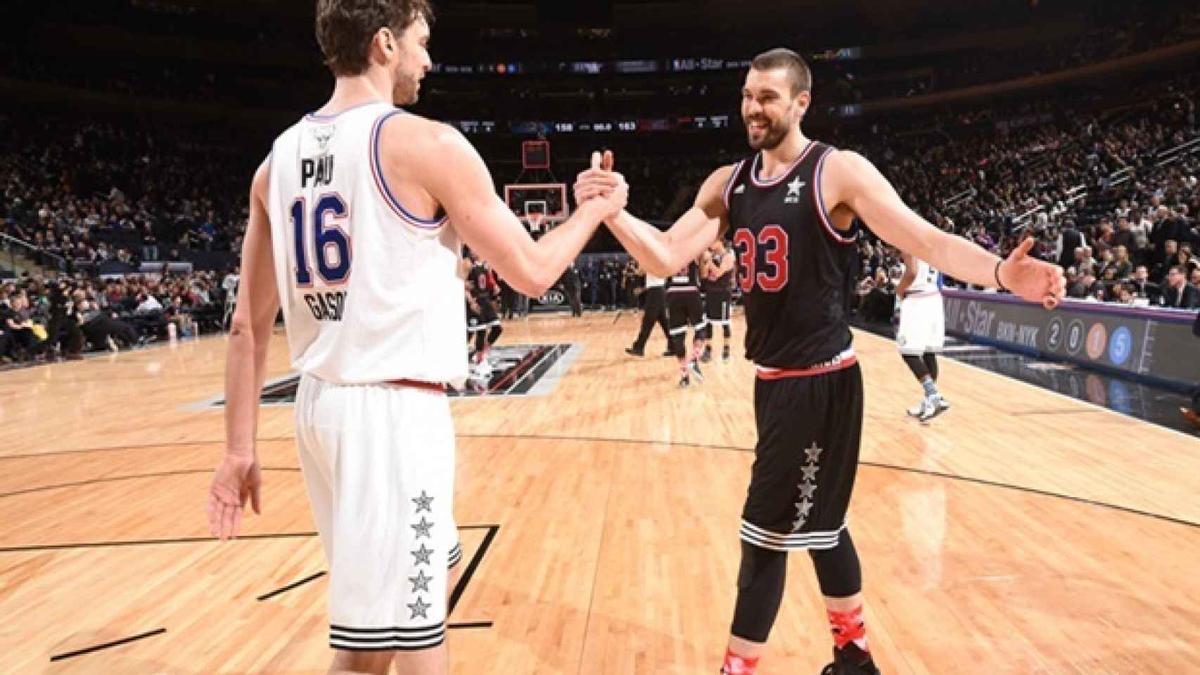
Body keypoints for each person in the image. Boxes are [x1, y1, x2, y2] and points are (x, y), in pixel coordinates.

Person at [576, 47, 1063, 675]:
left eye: (768, 97)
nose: (753, 107)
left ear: (801, 102)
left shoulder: (838, 172)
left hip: (823, 383)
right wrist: (611, 212)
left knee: (764, 537)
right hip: (773, 383)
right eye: (748, 95)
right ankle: (854, 658)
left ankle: (740, 668)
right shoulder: (728, 182)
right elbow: (666, 255)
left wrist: (1000, 272)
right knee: (823, 529)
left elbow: (926, 239)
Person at [204, 3, 627, 675]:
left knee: (399, 614)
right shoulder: (426, 145)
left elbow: (246, 326)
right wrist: (592, 213)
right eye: (421, 44)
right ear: (383, 44)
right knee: (398, 646)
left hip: (321, 410)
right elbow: (536, 271)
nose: (428, 61)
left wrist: (238, 449)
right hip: (392, 415)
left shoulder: (275, 162)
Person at [894, 251, 948, 422]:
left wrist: (899, 290)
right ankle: (929, 403)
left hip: (917, 298)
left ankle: (933, 395)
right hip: (934, 296)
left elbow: (911, 272)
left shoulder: (908, 237)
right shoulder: (928, 239)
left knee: (908, 352)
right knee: (927, 352)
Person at [665, 258, 708, 387]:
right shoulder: (694, 247)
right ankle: (694, 358)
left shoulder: (669, 249)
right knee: (701, 329)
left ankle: (684, 377)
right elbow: (704, 273)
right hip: (691, 291)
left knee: (678, 337)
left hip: (672, 293)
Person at [700, 238, 736, 363]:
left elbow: (718, 273)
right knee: (708, 322)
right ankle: (708, 350)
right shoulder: (712, 255)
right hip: (711, 292)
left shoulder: (728, 255)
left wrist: (709, 261)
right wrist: (704, 262)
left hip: (723, 293)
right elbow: (704, 275)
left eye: (712, 242)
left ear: (720, 241)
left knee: (725, 322)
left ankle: (726, 350)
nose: (710, 244)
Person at [625, 269, 670, 357]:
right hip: (658, 290)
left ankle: (639, 348)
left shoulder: (652, 262)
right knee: (664, 321)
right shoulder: (657, 262)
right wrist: (643, 289)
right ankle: (675, 347)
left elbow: (641, 272)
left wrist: (634, 271)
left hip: (655, 293)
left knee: (648, 320)